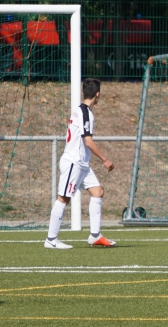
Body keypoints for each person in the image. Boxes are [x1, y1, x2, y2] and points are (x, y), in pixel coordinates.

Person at [45, 78, 116, 249]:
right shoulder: (85, 113)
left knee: (98, 192)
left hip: (82, 164)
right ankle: (51, 240)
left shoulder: (80, 110)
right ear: (98, 95)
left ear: (84, 93)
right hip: (74, 162)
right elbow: (88, 141)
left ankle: (95, 236)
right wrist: (105, 159)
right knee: (63, 199)